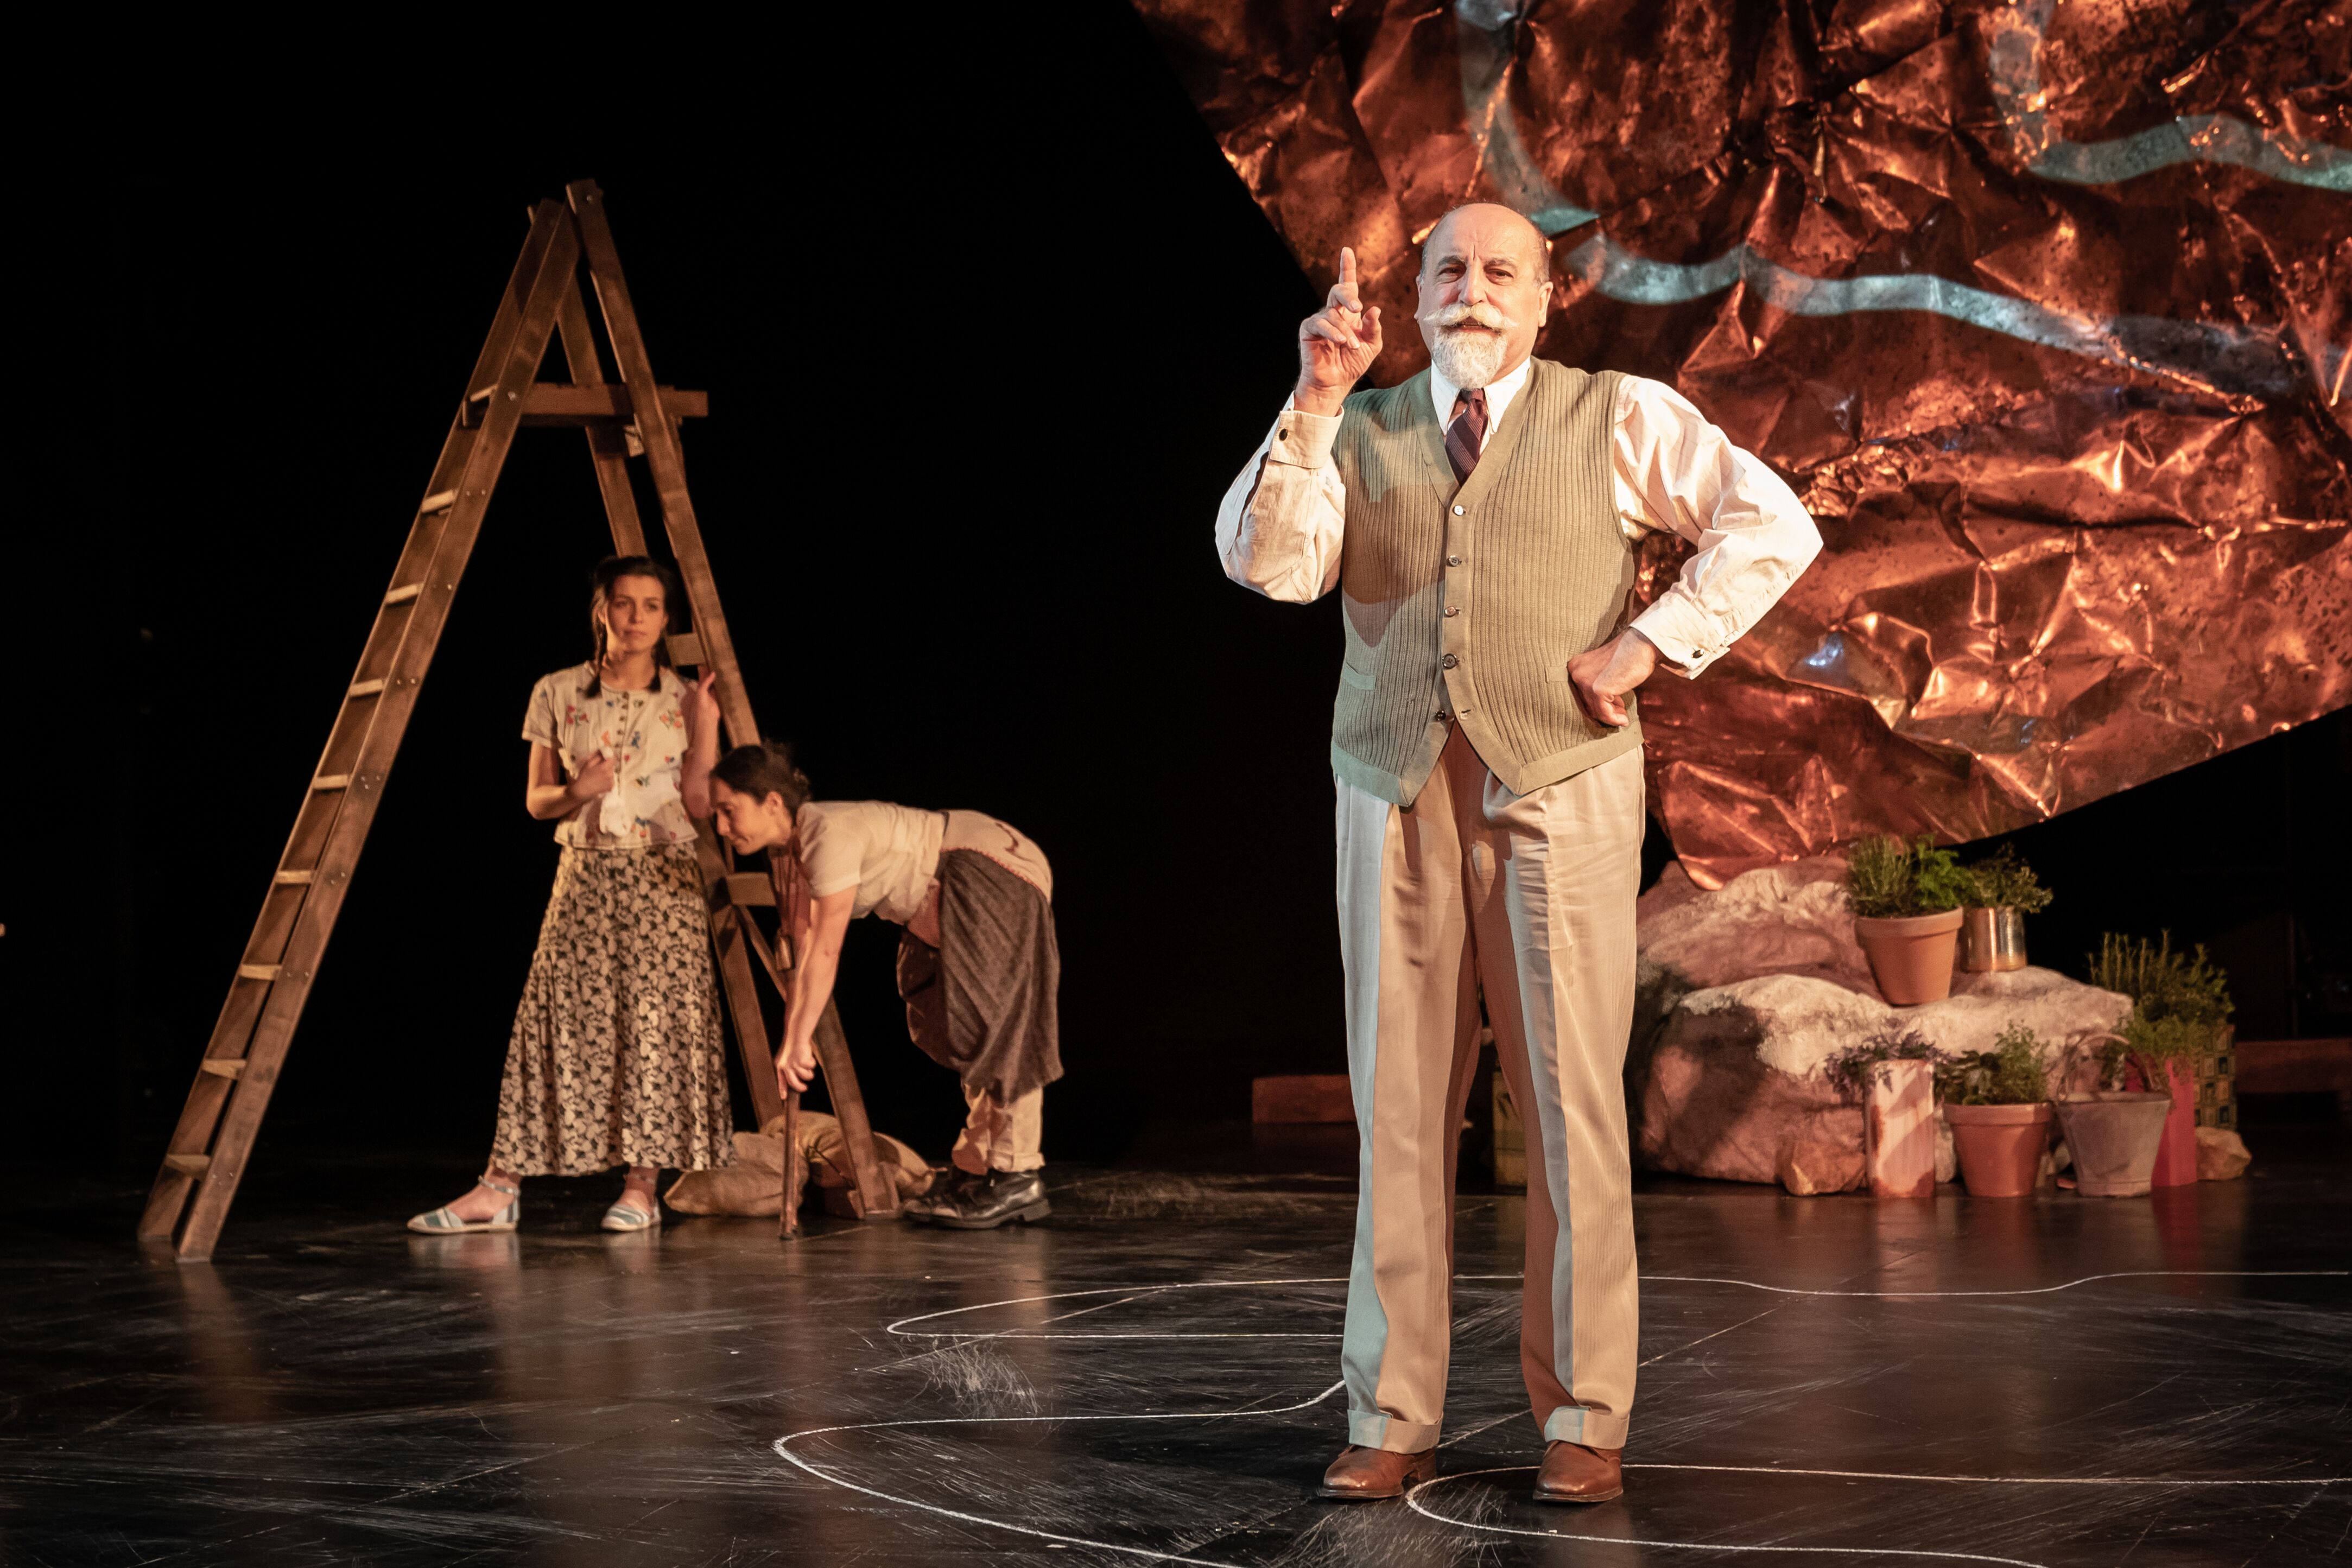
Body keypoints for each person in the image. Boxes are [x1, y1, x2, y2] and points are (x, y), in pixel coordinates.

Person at [1215, 204, 1822, 1504]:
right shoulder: (1358, 425)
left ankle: (1585, 1411)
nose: (1473, 292)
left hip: (1561, 782)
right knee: (1397, 1107)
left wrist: (1651, 640)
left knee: (1572, 1105)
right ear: (1415, 297)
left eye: (1502, 273)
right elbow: (1270, 567)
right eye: (1449, 271)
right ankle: (1392, 1407)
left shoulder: (1613, 412)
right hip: (1392, 788)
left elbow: (1770, 520)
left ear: (1547, 300)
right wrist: (1315, 397)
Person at [408, 556, 734, 1236]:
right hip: (584, 873)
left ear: (666, 619)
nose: (637, 618)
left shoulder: (684, 698)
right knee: (549, 1019)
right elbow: (536, 801)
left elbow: (701, 803)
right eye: (624, 604)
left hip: (662, 876)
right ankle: (500, 1186)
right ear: (602, 611)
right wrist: (577, 793)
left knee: (652, 1026)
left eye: (651, 606)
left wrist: (705, 727)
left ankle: (641, 1188)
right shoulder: (557, 691)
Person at [689, 741, 1060, 1230]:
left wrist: (799, 1040)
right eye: (717, 814)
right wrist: (791, 1043)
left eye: (729, 811)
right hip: (952, 885)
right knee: (960, 1024)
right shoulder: (793, 852)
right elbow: (802, 960)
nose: (721, 827)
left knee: (1001, 1025)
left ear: (772, 802)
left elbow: (826, 949)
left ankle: (1018, 1172)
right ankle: (978, 1166)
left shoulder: (825, 833)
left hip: (986, 867)